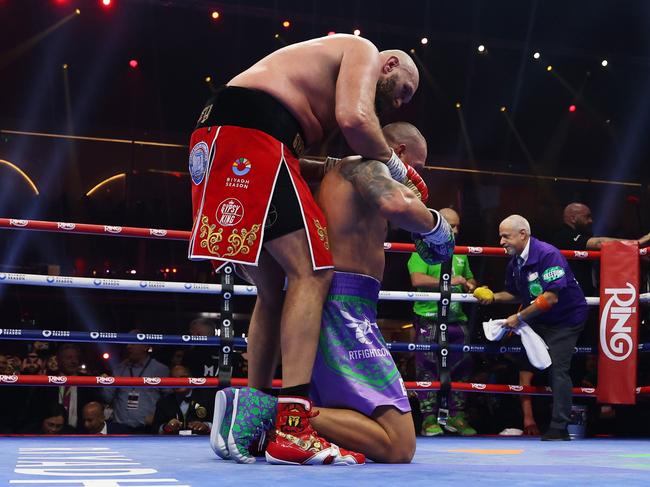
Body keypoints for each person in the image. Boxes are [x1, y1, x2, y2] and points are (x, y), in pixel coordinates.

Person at [188, 34, 420, 465]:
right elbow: (355, 120)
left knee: (274, 288)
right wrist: (395, 165)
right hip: (252, 133)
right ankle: (293, 424)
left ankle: (254, 411)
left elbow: (311, 153)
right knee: (313, 272)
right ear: (389, 65)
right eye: (405, 89)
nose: (402, 103)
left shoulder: (311, 84)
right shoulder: (363, 50)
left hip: (220, 136)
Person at [214, 122, 454, 464]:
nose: (419, 177)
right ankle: (270, 411)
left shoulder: (344, 171)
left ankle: (272, 416)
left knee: (363, 424)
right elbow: (396, 203)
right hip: (343, 307)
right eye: (419, 166)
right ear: (399, 153)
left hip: (348, 307)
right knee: (399, 445)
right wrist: (435, 226)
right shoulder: (366, 167)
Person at [474, 214, 588, 440]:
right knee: (509, 356)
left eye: (505, 236)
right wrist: (493, 297)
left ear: (522, 234)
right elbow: (515, 293)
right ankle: (516, 417)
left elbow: (551, 298)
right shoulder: (516, 261)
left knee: (558, 368)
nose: (501, 242)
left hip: (566, 320)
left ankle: (559, 427)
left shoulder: (548, 254)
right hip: (540, 319)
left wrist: (520, 318)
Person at [407, 207, 478, 436]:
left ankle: (457, 417)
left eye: (458, 226)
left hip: (457, 319)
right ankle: (429, 420)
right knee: (427, 369)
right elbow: (417, 279)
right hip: (429, 318)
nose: (456, 231)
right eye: (452, 226)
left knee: (462, 368)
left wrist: (471, 285)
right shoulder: (422, 251)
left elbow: (469, 278)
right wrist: (447, 280)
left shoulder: (461, 252)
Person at [552, 202, 650, 296]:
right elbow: (598, 243)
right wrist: (638, 242)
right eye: (587, 217)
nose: (591, 221)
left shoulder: (581, 235)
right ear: (573, 218)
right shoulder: (564, 236)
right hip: (571, 295)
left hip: (584, 292)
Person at [101, 330, 169, 433]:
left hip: (147, 429)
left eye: (132, 343)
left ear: (145, 346)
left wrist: (158, 415)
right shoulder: (120, 369)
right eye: (127, 343)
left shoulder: (160, 369)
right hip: (120, 427)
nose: (128, 346)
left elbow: (169, 398)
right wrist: (104, 382)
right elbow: (107, 398)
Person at [153, 365, 212, 435]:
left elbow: (219, 424)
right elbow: (155, 428)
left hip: (201, 442)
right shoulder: (163, 402)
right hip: (171, 443)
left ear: (191, 378)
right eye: (174, 379)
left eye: (183, 378)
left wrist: (206, 426)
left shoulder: (206, 398)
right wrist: (167, 427)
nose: (179, 382)